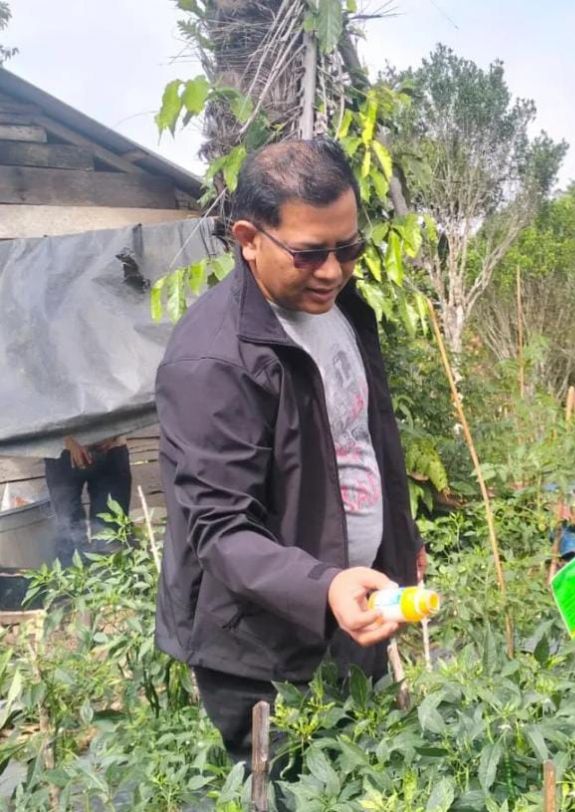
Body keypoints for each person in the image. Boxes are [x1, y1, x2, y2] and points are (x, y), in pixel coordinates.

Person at [154, 138, 425, 776]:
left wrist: (399, 544)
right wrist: (324, 585)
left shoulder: (344, 312)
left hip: (351, 610)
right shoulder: (213, 360)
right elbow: (219, 529)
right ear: (249, 237)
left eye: (349, 248)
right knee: (286, 789)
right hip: (260, 648)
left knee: (366, 777)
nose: (333, 271)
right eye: (309, 253)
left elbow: (366, 440)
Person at [43, 434, 131, 565]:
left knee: (110, 533)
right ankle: (75, 582)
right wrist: (68, 439)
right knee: (69, 534)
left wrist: (111, 432)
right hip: (59, 450)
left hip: (111, 449)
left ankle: (112, 579)